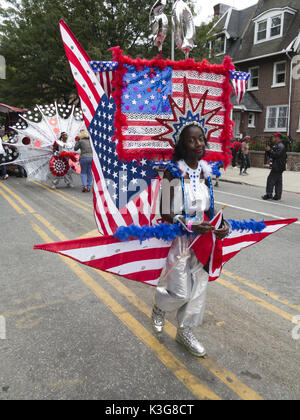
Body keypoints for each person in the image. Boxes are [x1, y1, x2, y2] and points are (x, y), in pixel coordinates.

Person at [151, 124, 229, 357]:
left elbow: (210, 209)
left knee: (199, 288)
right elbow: (164, 211)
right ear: (181, 145)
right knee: (181, 291)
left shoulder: (206, 171)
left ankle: (185, 331)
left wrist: (221, 225)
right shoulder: (173, 173)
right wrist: (187, 223)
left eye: (201, 139)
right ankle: (159, 305)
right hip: (180, 240)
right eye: (192, 141)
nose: (199, 145)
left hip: (204, 239)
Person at [262, 133, 287, 201]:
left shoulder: (280, 146)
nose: (272, 138)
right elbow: (272, 155)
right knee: (278, 181)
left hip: (277, 166)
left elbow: (277, 155)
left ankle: (269, 194)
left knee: (270, 180)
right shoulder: (278, 145)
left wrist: (270, 150)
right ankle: (277, 196)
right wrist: (268, 151)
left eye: (274, 137)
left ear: (277, 138)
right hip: (279, 166)